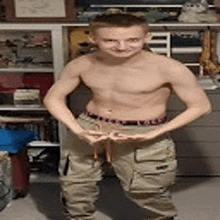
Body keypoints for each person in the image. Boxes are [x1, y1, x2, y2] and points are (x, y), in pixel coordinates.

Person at [43, 12, 211, 220]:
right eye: (110, 40)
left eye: (132, 40)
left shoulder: (169, 68)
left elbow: (201, 106)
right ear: (93, 38)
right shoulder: (82, 64)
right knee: (75, 185)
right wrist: (78, 130)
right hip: (90, 125)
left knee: (147, 190)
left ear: (147, 37)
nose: (122, 47)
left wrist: (155, 133)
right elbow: (53, 98)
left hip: (144, 130)